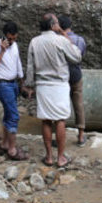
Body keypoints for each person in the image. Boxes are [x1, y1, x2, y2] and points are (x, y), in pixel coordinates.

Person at [23, 13, 83, 168]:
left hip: (43, 85)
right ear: (52, 25)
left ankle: (49, 156)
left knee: (46, 120)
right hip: (59, 85)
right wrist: (63, 33)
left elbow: (30, 67)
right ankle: (61, 158)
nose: (59, 25)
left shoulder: (34, 42)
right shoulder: (61, 40)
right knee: (60, 120)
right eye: (56, 23)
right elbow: (77, 57)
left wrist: (29, 86)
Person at [0, 21, 25, 160]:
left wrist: (22, 82)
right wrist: (2, 51)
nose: (12, 41)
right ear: (4, 36)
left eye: (15, 38)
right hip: (2, 84)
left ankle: (4, 143)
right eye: (10, 39)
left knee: (9, 113)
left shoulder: (15, 46)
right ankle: (12, 150)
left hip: (13, 83)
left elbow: (18, 63)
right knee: (14, 116)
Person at [58, 14, 88, 146]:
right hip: (75, 74)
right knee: (78, 104)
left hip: (62, 76)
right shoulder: (79, 40)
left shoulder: (57, 40)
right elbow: (81, 56)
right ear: (71, 25)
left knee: (59, 106)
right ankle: (81, 136)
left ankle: (60, 135)